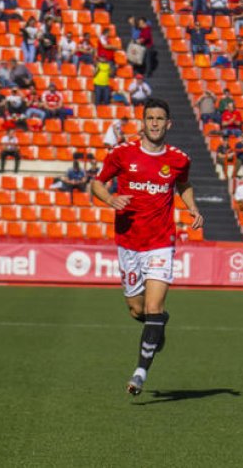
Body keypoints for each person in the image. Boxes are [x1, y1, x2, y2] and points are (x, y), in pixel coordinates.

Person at [90, 98, 203, 396]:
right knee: (137, 310)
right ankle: (157, 324)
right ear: (143, 122)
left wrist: (192, 207)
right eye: (149, 118)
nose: (154, 123)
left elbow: (183, 184)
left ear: (168, 124)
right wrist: (110, 199)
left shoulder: (179, 159)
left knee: (154, 306)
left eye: (159, 119)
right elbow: (97, 183)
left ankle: (140, 373)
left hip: (160, 243)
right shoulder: (122, 154)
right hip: (129, 242)